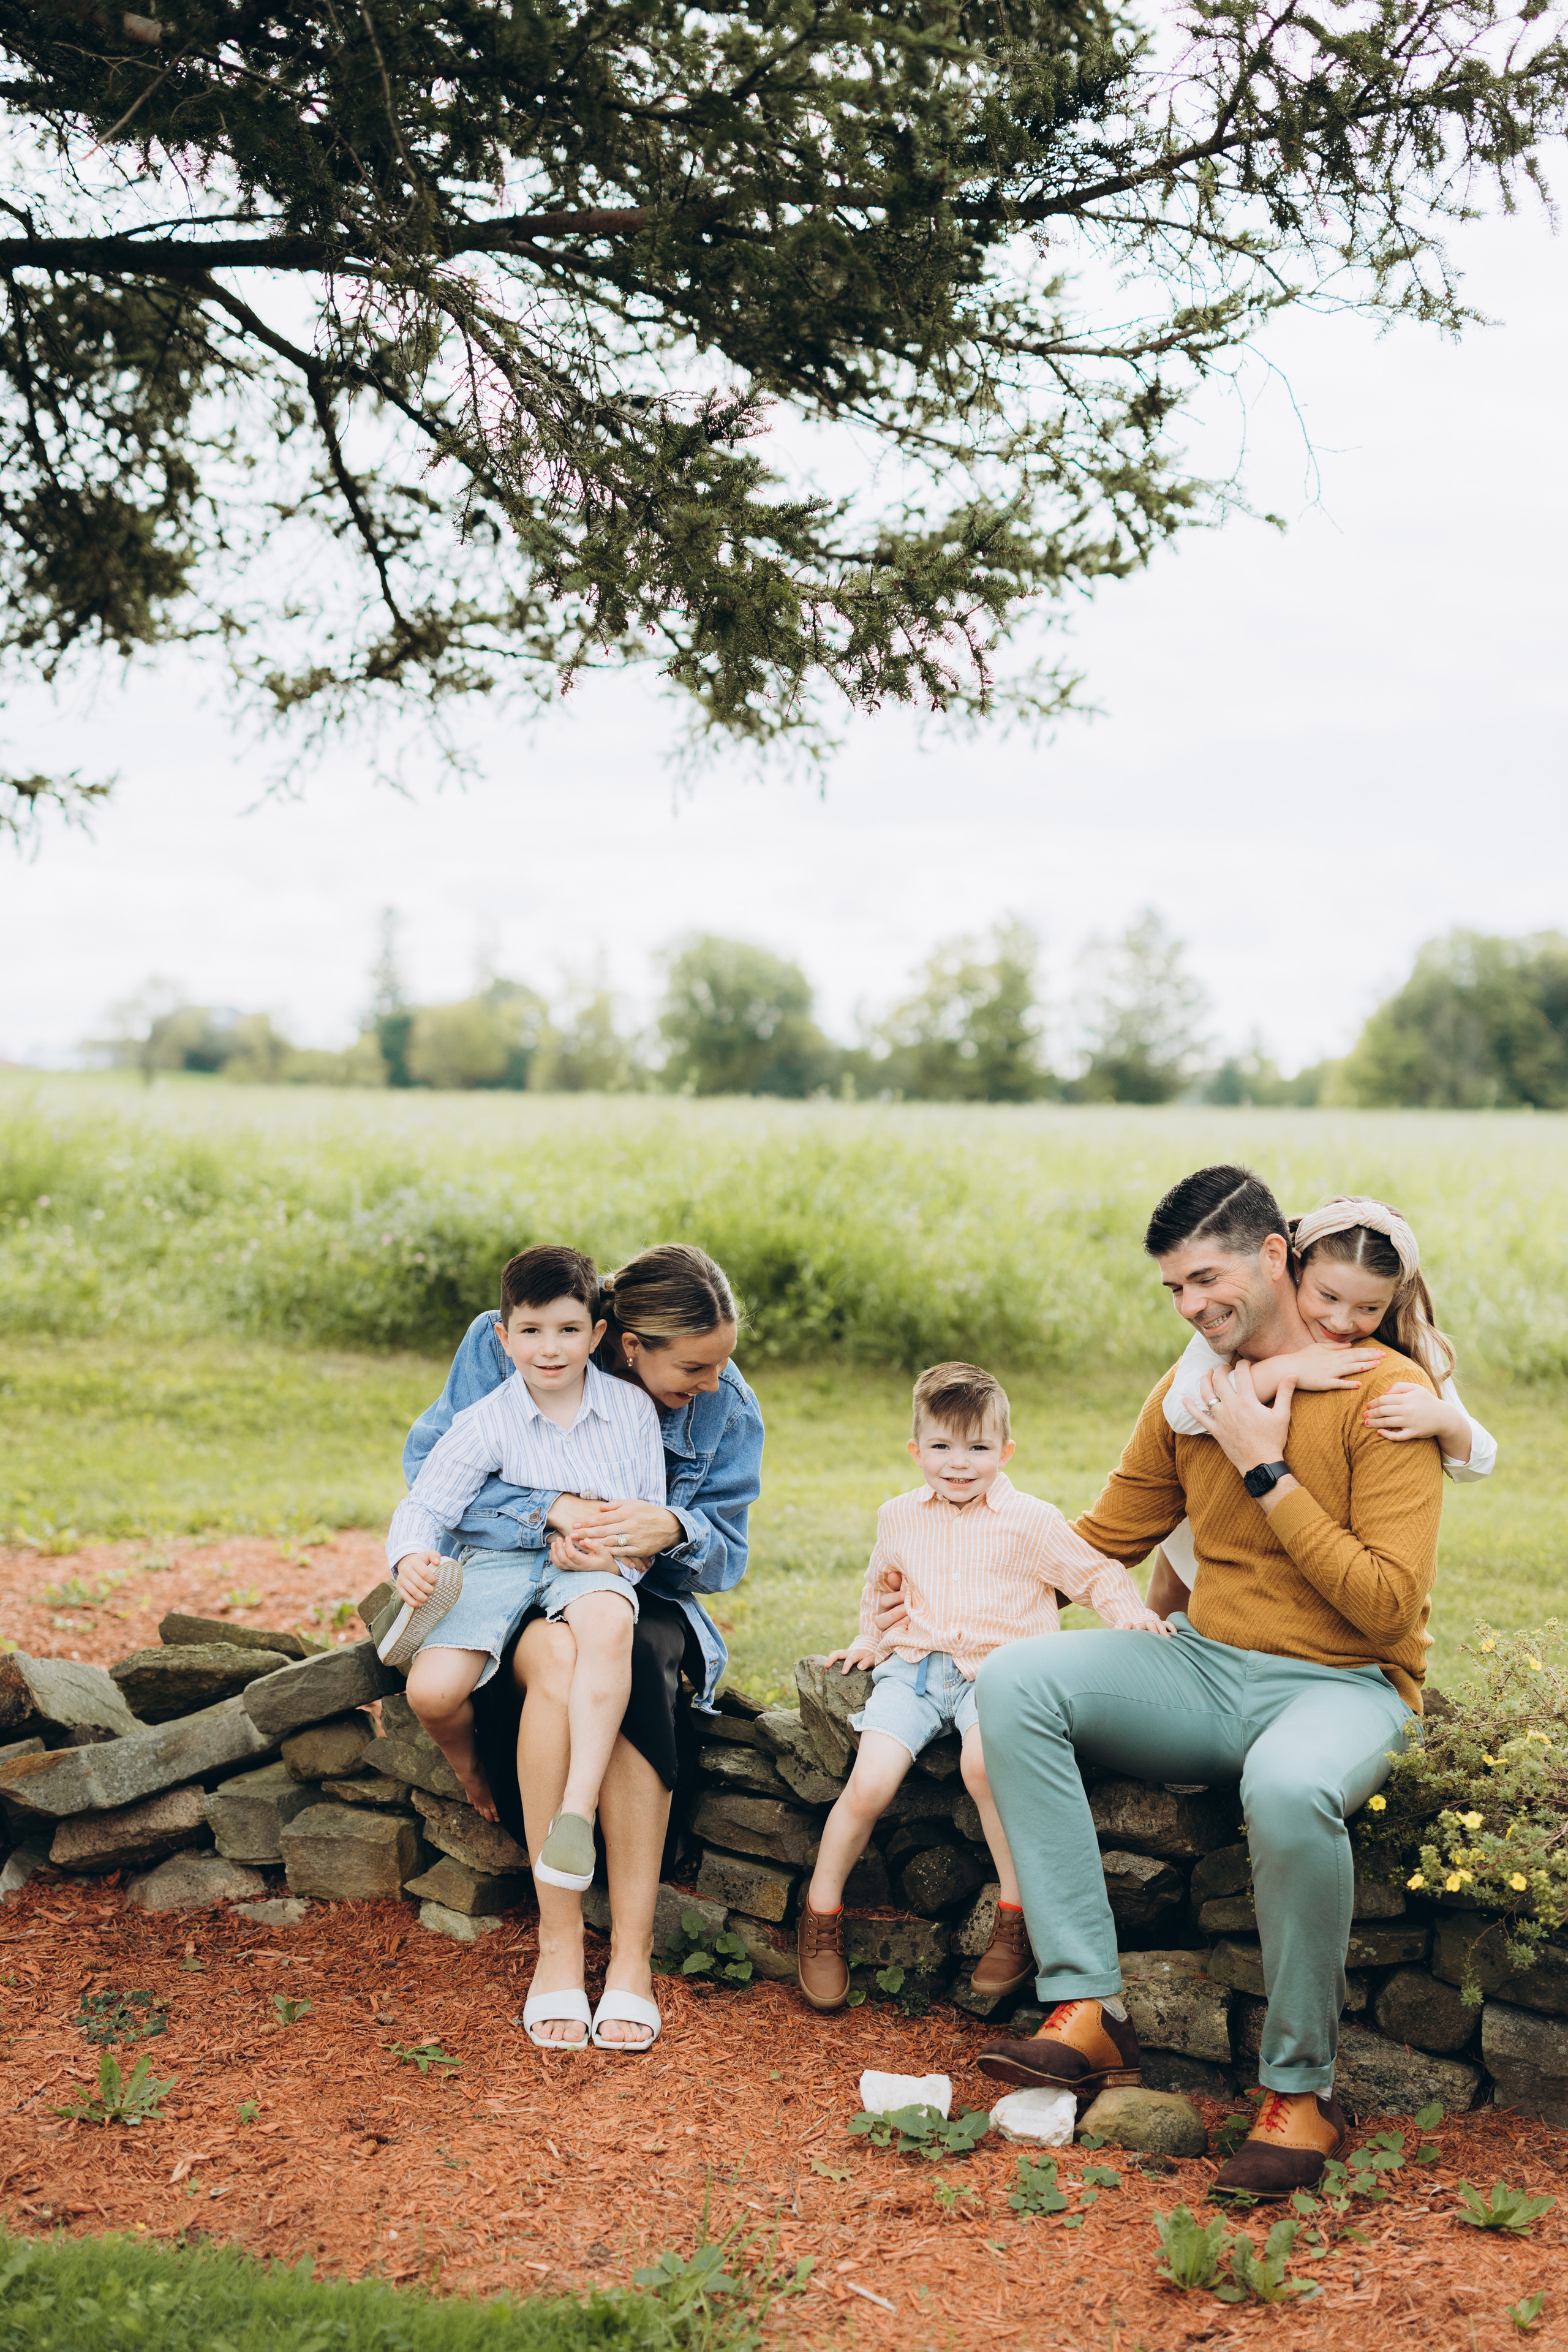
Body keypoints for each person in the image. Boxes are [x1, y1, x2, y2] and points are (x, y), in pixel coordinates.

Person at [968, 1164, 1446, 2197]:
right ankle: (1090, 2008)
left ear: (1276, 1257)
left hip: (1344, 1686)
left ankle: (1299, 2095)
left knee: (1285, 1790)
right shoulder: (1190, 1396)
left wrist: (1266, 1470)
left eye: (1207, 1279)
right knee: (1015, 1686)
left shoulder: (1390, 1398)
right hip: (1205, 1671)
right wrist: (934, 1585)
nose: (1192, 1306)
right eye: (1175, 1289)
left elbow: (1386, 1608)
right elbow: (1101, 1538)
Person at [404, 1242, 762, 2051]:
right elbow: (434, 1476)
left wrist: (671, 1528)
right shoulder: (517, 1339)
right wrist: (553, 1510)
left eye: (718, 1366)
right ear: (627, 1345)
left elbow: (728, 1553)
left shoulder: (724, 1404)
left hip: (639, 1594)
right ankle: (558, 1946)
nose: (713, 1384)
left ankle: (631, 1959)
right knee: (560, 1661)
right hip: (506, 1581)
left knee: (627, 1654)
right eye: (695, 1369)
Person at [795, 1362, 1172, 2012]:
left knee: (984, 1770)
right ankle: (820, 1915)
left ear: (1005, 1451)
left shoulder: (1031, 1519)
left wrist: (1130, 1616)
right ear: (917, 1450)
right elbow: (880, 1586)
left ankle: (1015, 1913)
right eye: (941, 1447)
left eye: (977, 1448)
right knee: (871, 1783)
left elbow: (1093, 1574)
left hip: (999, 1673)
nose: (959, 1463)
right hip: (916, 1669)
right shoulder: (899, 1516)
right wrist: (866, 1643)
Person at [385, 1245, 666, 1928]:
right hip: (503, 1559)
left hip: (591, 1562)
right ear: (503, 1337)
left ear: (596, 1336)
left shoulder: (629, 1411)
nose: (550, 1349)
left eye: (569, 1330)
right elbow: (426, 1506)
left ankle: (575, 1809)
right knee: (431, 1691)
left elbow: (643, 1522)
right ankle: (473, 1769)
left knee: (607, 1629)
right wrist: (410, 1558)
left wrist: (607, 1558)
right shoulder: (486, 1420)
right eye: (532, 1332)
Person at [1148, 1193, 1496, 1608]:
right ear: (1295, 1266)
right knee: (1171, 1595)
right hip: (1210, 1512)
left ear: (1392, 1300)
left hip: (1295, 1535)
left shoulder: (1405, 1346)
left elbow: (1482, 1462)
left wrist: (1446, 1421)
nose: (1341, 1321)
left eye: (1368, 1307)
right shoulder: (1240, 1319)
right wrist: (1287, 1369)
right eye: (1327, 1297)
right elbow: (1179, 1411)